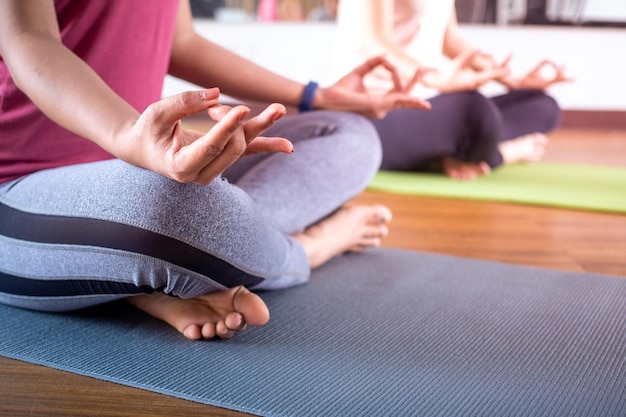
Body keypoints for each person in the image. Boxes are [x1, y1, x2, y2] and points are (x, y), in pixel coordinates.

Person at [0, 1, 429, 340]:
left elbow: (181, 42)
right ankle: (302, 250)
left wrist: (318, 96)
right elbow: (27, 37)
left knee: (348, 135)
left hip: (143, 161)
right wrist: (127, 133)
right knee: (166, 205)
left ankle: (168, 271)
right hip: (20, 185)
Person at [330, 0, 570, 180]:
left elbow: (451, 40)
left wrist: (513, 80)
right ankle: (498, 154)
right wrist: (435, 78)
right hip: (372, 112)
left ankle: (450, 151)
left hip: (424, 104)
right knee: (474, 109)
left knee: (542, 105)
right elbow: (376, 41)